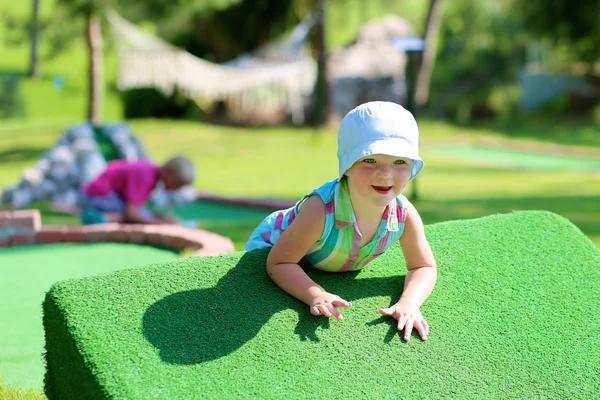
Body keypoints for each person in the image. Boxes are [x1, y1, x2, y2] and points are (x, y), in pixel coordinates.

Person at [245, 101, 437, 341]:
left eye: (399, 162)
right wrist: (315, 293)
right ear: (347, 165)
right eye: (370, 160)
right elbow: (280, 263)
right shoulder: (321, 211)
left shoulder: (404, 214)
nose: (385, 173)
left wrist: (409, 302)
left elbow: (423, 267)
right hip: (275, 245)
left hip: (328, 259)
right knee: (250, 287)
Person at [80, 155, 195, 225]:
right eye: (177, 184)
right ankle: (100, 218)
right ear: (169, 171)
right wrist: (161, 223)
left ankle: (102, 216)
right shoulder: (146, 178)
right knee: (136, 216)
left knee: (143, 214)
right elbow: (131, 213)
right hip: (98, 195)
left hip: (102, 193)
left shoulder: (150, 171)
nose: (176, 189)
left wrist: (157, 218)